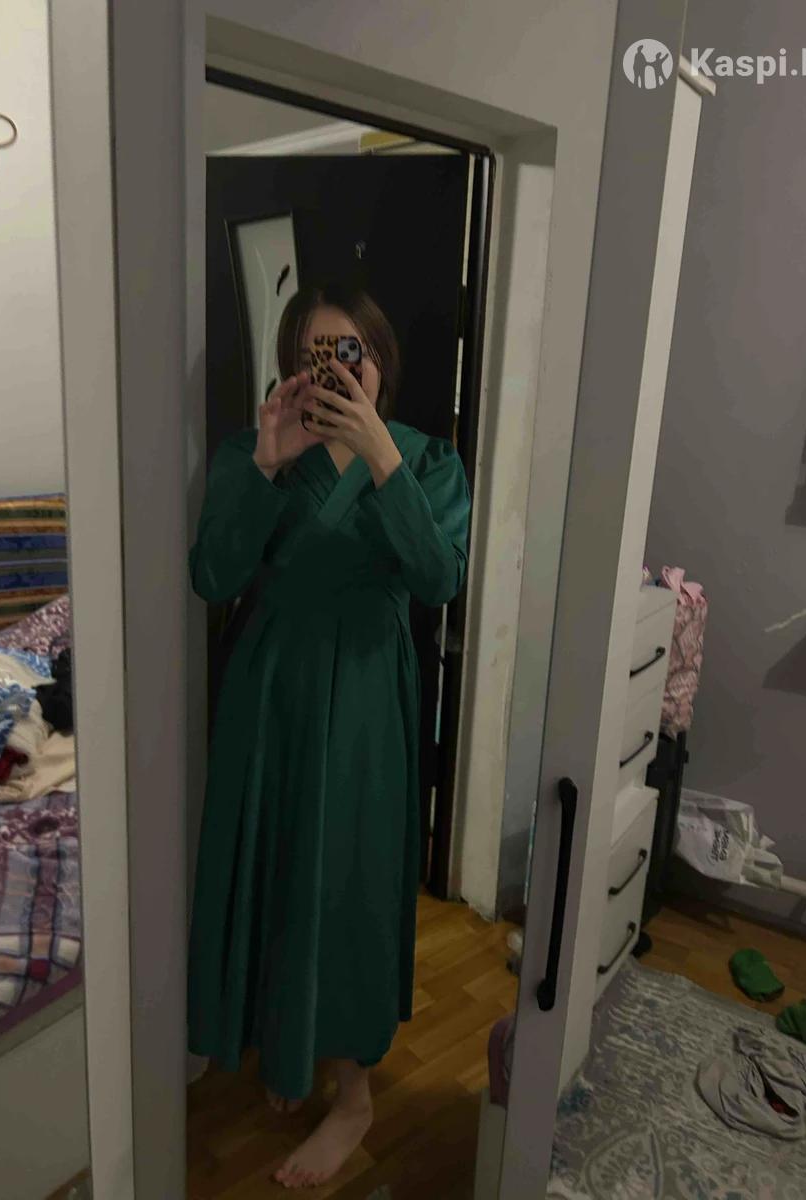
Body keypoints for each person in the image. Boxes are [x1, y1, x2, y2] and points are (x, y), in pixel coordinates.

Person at [186, 284, 471, 1188]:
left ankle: (354, 1098)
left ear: (380, 364)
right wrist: (265, 464)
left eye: (355, 352)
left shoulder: (426, 460)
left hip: (365, 707)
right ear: (294, 367)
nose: (339, 370)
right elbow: (212, 576)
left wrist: (381, 457)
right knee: (278, 868)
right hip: (270, 696)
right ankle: (287, 1046)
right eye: (320, 354)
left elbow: (438, 581)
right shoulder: (257, 450)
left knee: (349, 885)